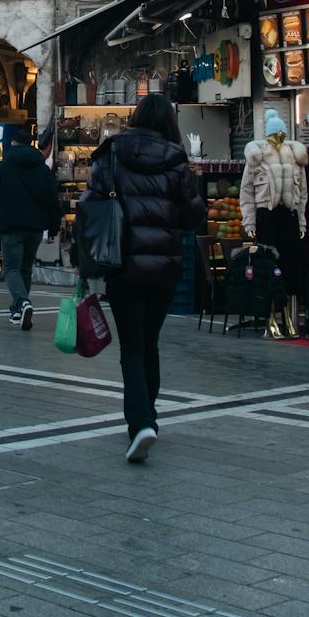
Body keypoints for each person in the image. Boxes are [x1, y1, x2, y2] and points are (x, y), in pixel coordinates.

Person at [86, 93, 204, 464]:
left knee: (132, 348)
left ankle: (140, 423)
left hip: (122, 264)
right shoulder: (177, 160)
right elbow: (193, 217)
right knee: (149, 343)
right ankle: (147, 415)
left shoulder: (112, 153)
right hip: (165, 267)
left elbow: (90, 204)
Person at [0, 123, 61, 330]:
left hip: (10, 225)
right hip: (35, 227)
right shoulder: (43, 169)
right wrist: (53, 228)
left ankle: (23, 302)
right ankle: (17, 311)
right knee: (25, 268)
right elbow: (53, 201)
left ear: (13, 143)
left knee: (10, 268)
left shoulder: (1, 168)